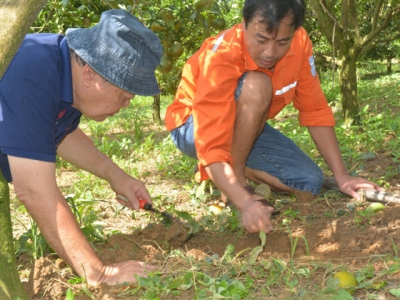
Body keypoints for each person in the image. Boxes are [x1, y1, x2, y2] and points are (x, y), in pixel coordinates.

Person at [164, 0, 381, 234]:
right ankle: (234, 180)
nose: (270, 52)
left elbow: (314, 110)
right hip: (192, 126)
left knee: (308, 184)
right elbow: (211, 141)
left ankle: (230, 170)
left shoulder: (300, 44)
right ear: (244, 24)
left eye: (281, 42)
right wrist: (244, 201)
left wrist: (342, 176)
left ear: (294, 33)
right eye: (261, 39)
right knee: (258, 82)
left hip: (241, 127)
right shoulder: (222, 54)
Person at [0, 9, 162, 285]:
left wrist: (115, 175)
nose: (126, 106)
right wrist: (98, 272)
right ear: (90, 75)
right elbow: (34, 190)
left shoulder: (66, 75)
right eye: (124, 96)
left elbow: (57, 131)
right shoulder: (32, 77)